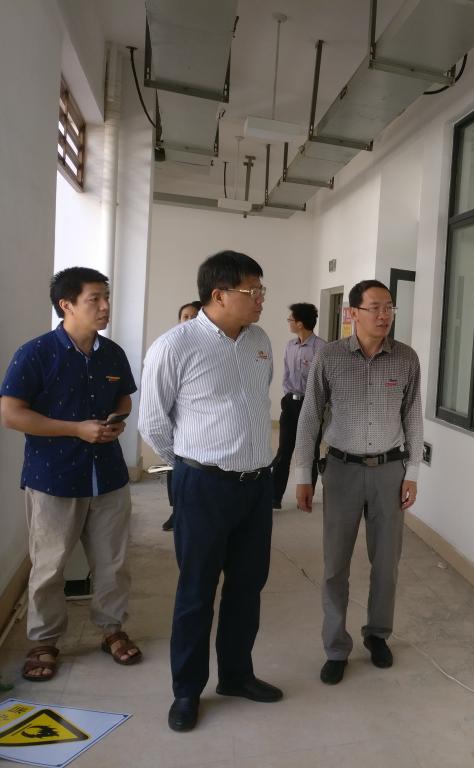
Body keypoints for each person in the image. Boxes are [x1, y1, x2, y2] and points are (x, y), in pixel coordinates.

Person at [139, 251, 281, 733]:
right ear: (218, 295)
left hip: (256, 486)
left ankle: (236, 675)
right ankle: (186, 690)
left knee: (248, 586)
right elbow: (153, 423)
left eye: (261, 290)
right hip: (203, 485)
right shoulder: (174, 346)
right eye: (252, 291)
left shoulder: (260, 340)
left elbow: (257, 400)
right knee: (197, 590)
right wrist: (190, 464)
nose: (261, 299)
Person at [0, 267, 142, 682]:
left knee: (113, 562)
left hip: (108, 476)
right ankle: (44, 640)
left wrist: (116, 420)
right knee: (49, 566)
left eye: (106, 297)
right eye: (95, 298)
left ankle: (111, 629)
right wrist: (76, 429)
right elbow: (11, 414)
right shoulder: (35, 353)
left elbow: (124, 398)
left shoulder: (112, 353)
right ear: (67, 304)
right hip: (53, 478)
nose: (105, 306)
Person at [293, 279, 422, 685]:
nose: (384, 315)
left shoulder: (406, 358)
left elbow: (413, 416)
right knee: (335, 565)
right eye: (375, 307)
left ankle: (377, 635)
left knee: (386, 564)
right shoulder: (329, 357)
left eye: (389, 307)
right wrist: (303, 474)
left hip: (389, 471)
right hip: (342, 470)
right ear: (352, 313)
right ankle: (336, 647)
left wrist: (413, 472)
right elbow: (310, 416)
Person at [270, 302, 325, 509]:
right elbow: (286, 373)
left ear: (300, 323)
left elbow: (325, 381)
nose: (289, 323)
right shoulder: (290, 346)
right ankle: (274, 497)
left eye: (290, 319)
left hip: (312, 406)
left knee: (310, 452)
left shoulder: (322, 348)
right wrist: (287, 397)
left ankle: (306, 497)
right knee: (284, 451)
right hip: (290, 404)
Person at [161, 300, 203, 532]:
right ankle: (176, 510)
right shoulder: (170, 347)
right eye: (185, 316)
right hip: (174, 422)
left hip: (197, 425)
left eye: (193, 316)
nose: (188, 320)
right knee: (173, 468)